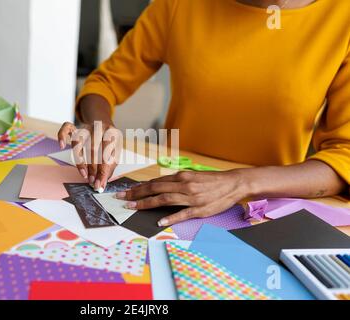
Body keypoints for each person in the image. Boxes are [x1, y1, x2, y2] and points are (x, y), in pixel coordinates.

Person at [58, 0, 350, 227]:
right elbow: (104, 83)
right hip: (171, 188)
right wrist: (100, 125)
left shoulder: (342, 20)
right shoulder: (180, 5)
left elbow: (343, 158)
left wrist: (241, 182)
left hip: (265, 208)